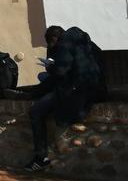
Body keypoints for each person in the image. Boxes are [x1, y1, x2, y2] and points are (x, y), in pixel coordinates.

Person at [24, 26, 106, 172]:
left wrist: (50, 67)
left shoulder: (64, 44)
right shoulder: (85, 42)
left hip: (75, 91)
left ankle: (40, 157)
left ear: (55, 39)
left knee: (35, 112)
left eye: (51, 43)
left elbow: (60, 72)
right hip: (96, 89)